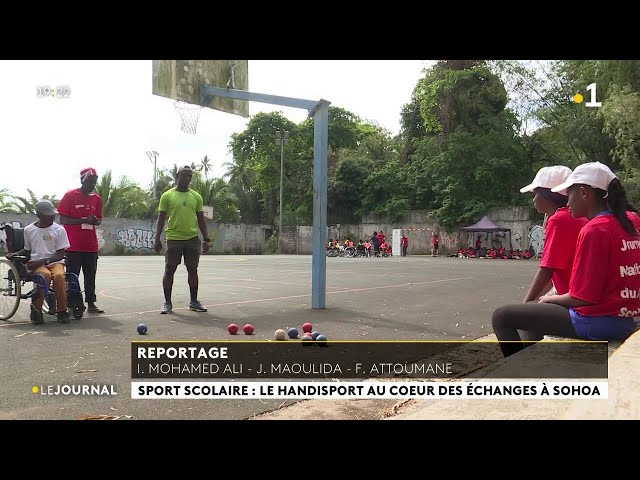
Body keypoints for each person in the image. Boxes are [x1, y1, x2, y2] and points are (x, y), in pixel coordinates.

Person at [492, 162, 640, 357]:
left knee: (502, 316)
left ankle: (514, 373)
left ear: (583, 193)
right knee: (536, 314)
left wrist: (548, 299)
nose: (567, 201)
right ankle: (530, 363)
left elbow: (583, 297)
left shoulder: (594, 229)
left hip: (603, 321)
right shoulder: (631, 219)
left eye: (569, 194)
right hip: (630, 316)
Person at [519, 166, 588, 303]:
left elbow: (547, 270)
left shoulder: (559, 220)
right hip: (577, 292)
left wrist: (526, 304)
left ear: (548, 195)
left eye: (536, 194)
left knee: (507, 316)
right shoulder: (577, 216)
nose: (534, 200)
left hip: (574, 296)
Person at [154, 165, 210, 314]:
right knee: (169, 270)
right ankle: (167, 302)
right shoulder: (167, 195)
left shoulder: (196, 196)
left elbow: (201, 220)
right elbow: (161, 219)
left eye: (189, 176)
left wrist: (206, 238)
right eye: (184, 175)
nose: (186, 178)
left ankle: (194, 301)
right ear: (177, 176)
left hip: (192, 239)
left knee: (193, 270)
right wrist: (157, 238)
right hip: (173, 238)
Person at [6, 200, 71, 324]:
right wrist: (16, 254)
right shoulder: (29, 230)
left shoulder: (59, 230)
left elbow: (60, 254)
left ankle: (62, 310)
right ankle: (37, 308)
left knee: (59, 276)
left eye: (53, 214)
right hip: (36, 263)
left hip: (55, 262)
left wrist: (44, 260)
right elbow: (27, 250)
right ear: (39, 214)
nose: (52, 217)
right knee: (44, 276)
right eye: (48, 215)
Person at [58, 167, 104, 314]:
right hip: (73, 245)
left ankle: (91, 303)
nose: (92, 185)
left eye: (95, 182)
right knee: (73, 275)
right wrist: (84, 219)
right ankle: (72, 303)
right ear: (83, 180)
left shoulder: (96, 198)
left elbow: (99, 219)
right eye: (90, 181)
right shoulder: (70, 196)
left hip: (90, 245)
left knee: (90, 275)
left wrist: (95, 221)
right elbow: (63, 219)